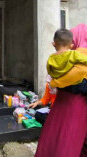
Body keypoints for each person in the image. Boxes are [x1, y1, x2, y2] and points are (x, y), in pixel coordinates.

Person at [35, 24, 87, 157]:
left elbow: (55, 74)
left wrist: (55, 83)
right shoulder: (74, 55)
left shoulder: (66, 56)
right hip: (73, 104)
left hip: (72, 105)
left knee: (59, 138)